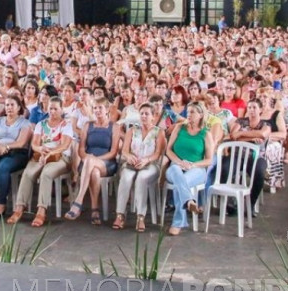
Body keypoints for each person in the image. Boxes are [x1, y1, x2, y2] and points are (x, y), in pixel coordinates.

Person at [7, 97, 75, 227]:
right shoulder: (41, 124)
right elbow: (34, 144)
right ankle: (20, 208)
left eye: (56, 108)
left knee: (46, 173)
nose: (53, 111)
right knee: (28, 173)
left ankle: (41, 210)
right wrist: (41, 149)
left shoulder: (66, 125)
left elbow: (65, 145)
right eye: (50, 108)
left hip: (60, 158)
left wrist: (50, 152)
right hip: (42, 155)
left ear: (61, 110)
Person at [65, 97, 121, 224]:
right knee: (94, 172)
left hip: (106, 162)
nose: (97, 110)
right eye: (94, 108)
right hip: (87, 164)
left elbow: (113, 152)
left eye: (100, 107)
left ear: (107, 109)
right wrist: (89, 160)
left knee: (91, 161)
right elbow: (81, 150)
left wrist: (94, 159)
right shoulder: (87, 125)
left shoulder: (115, 127)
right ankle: (95, 210)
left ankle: (78, 201)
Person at [165, 102, 215, 235]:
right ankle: (189, 201)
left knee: (181, 182)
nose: (189, 115)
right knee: (177, 174)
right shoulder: (179, 128)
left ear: (201, 115)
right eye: (188, 112)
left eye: (192, 112)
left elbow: (209, 160)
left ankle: (178, 222)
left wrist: (192, 165)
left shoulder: (206, 134)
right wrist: (179, 162)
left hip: (196, 169)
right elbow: (168, 150)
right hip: (176, 165)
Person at [114, 103, 165, 232]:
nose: (143, 116)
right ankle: (120, 215)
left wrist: (146, 160)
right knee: (126, 177)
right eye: (141, 113)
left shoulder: (159, 132)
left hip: (150, 165)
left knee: (141, 178)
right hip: (132, 163)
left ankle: (140, 216)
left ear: (153, 116)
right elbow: (125, 150)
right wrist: (129, 157)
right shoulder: (132, 130)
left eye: (147, 114)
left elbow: (157, 154)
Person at [0, 94, 32, 218]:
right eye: (7, 105)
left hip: (17, 152)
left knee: (2, 168)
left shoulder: (25, 123)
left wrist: (6, 147)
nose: (9, 107)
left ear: (19, 107)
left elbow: (21, 142)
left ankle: (1, 203)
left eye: (12, 105)